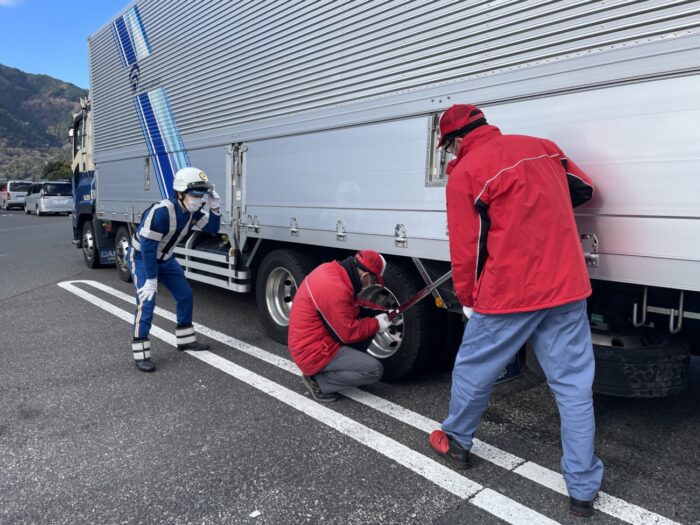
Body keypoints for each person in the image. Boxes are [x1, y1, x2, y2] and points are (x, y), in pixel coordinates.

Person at [429, 104, 604, 518]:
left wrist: (468, 299)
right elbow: (584, 189)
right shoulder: (543, 148)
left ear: (454, 141)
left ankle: (456, 441)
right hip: (566, 286)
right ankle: (582, 490)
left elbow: (467, 251)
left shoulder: (466, 173)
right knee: (574, 386)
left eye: (449, 146)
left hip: (509, 292)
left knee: (474, 370)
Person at [127, 167, 221, 372]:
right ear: (180, 193)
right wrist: (151, 279)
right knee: (147, 301)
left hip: (166, 258)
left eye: (202, 195)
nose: (199, 199)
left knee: (185, 295)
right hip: (143, 257)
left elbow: (212, 229)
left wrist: (215, 210)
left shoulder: (192, 213)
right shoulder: (161, 212)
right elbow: (148, 247)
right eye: (195, 194)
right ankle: (141, 351)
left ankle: (185, 339)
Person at [288, 250, 391, 402]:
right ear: (366, 276)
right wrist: (376, 324)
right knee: (374, 370)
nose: (372, 286)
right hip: (312, 352)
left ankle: (341, 371)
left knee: (365, 327)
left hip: (312, 340)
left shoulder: (334, 272)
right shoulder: (334, 288)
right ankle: (319, 382)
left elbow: (351, 305)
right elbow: (347, 333)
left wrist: (381, 311)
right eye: (374, 282)